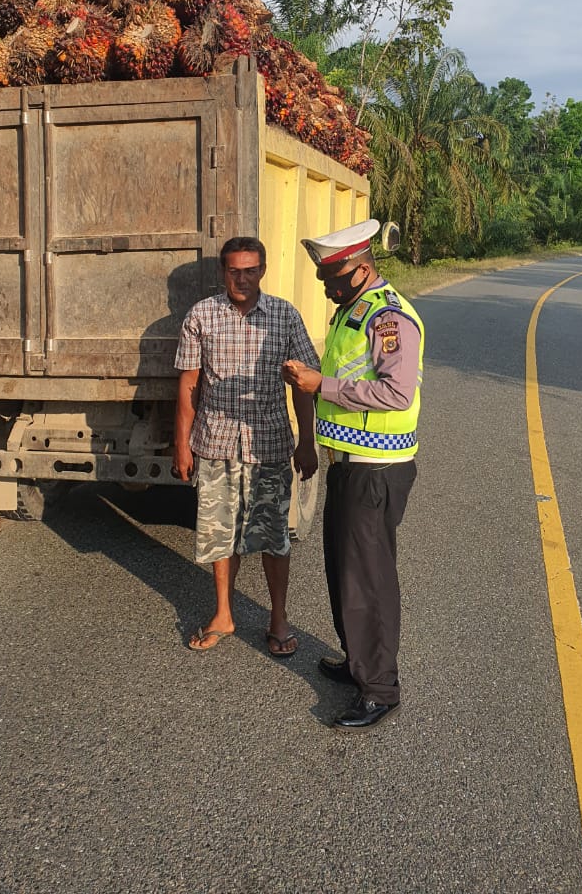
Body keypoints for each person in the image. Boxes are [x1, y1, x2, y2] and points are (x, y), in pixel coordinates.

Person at [283, 218, 424, 729]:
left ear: (361, 270)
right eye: (323, 277)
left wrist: (320, 385)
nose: (325, 286)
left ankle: (380, 688)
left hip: (376, 469)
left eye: (332, 277)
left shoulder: (389, 319)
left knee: (369, 580)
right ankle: (358, 660)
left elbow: (397, 393)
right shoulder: (353, 310)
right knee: (345, 573)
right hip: (349, 463)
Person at [174, 236, 319, 656]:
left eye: (250, 270)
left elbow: (303, 384)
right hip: (215, 441)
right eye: (234, 271)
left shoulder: (285, 316)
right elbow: (188, 385)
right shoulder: (201, 315)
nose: (242, 279)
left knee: (274, 536)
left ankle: (279, 618)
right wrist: (182, 445)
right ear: (223, 272)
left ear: (263, 271)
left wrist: (306, 443)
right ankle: (223, 614)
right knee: (219, 533)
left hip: (269, 442)